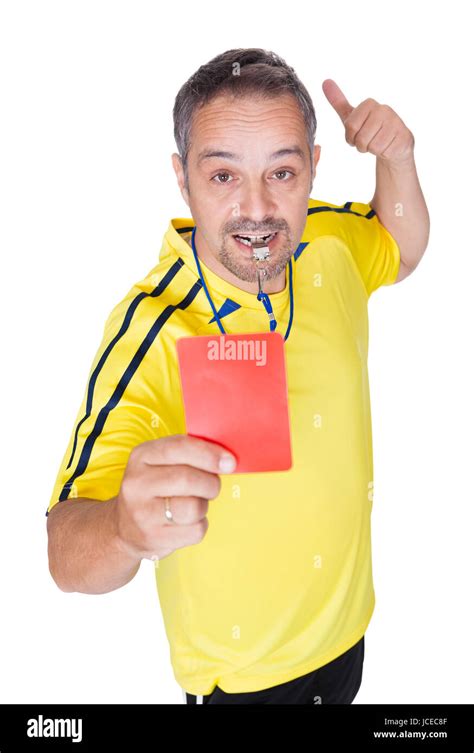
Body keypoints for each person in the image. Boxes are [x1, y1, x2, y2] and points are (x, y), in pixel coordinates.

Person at [46, 48, 429, 704]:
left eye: (282, 171)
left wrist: (398, 158)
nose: (257, 209)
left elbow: (403, 249)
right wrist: (119, 528)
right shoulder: (152, 328)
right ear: (182, 178)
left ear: (313, 166)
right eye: (223, 177)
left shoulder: (330, 242)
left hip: (348, 637)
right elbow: (64, 552)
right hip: (243, 683)